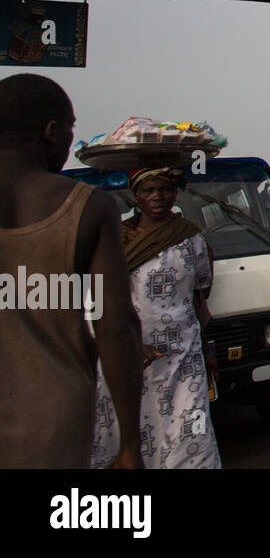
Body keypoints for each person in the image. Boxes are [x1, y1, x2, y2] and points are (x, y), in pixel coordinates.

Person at [0, 74, 143, 468]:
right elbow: (115, 326)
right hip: (50, 420)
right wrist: (130, 443)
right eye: (70, 130)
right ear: (51, 131)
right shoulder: (88, 207)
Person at [91, 167, 222, 469]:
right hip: (128, 354)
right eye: (148, 190)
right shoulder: (115, 240)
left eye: (164, 189)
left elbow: (199, 296)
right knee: (131, 434)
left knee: (191, 433)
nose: (157, 196)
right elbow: (98, 300)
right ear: (135, 195)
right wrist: (132, 342)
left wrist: (207, 349)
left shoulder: (191, 237)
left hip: (183, 355)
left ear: (175, 193)